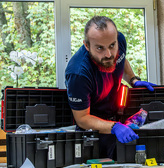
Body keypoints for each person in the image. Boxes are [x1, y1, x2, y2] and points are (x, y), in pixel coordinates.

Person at [65, 16, 156, 159]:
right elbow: (82, 118)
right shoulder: (78, 73)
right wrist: (114, 127)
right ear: (87, 45)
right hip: (94, 133)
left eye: (112, 46)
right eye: (100, 48)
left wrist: (133, 79)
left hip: (117, 118)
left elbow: (121, 59)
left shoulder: (119, 40)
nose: (108, 54)